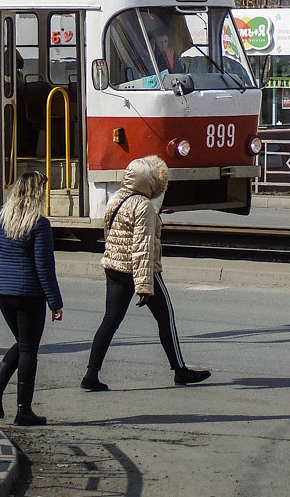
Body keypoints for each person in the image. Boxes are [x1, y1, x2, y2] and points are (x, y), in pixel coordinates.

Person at [81, 155, 211, 391]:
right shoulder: (144, 207)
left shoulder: (116, 198)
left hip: (114, 268)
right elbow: (143, 247)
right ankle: (180, 370)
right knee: (166, 318)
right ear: (150, 182)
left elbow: (109, 233)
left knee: (110, 321)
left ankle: (91, 373)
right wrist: (144, 286)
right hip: (142, 271)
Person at [0, 171, 64, 426]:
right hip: (29, 293)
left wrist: (5, 253)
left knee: (23, 343)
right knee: (28, 349)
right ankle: (23, 410)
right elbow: (44, 267)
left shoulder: (0, 219)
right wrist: (55, 302)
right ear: (37, 194)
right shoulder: (39, 224)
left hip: (3, 291)